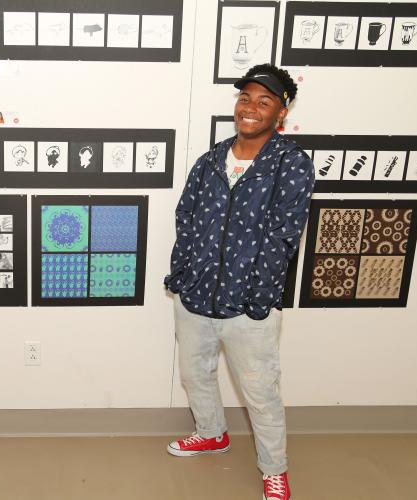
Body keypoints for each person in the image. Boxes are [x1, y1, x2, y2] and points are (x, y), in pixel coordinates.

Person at [164, 64, 315, 500]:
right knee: (196, 376)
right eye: (245, 98)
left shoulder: (290, 164)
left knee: (261, 393)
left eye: (264, 101)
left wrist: (259, 295)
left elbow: (285, 235)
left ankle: (275, 469)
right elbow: (186, 219)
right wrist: (183, 274)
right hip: (195, 296)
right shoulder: (210, 160)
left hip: (251, 305)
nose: (250, 108)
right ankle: (211, 433)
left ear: (281, 112)